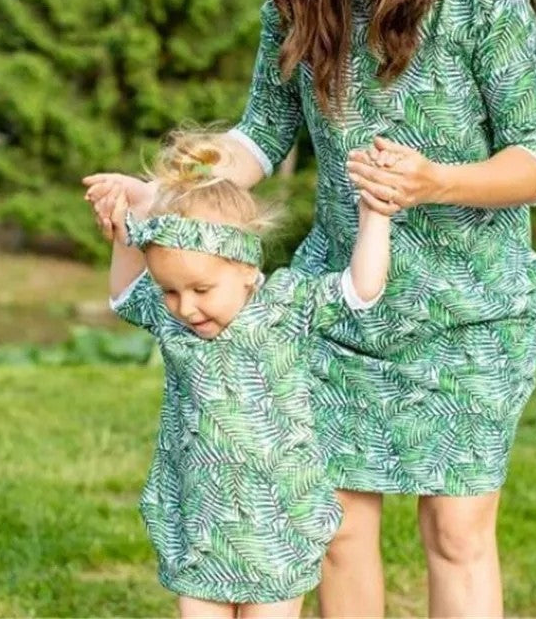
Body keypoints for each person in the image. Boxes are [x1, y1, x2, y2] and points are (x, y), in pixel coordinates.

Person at [86, 0, 536, 615]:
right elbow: (259, 136)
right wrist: (170, 187)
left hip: (472, 307)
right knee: (338, 527)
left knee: (455, 529)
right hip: (338, 301)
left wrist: (432, 180)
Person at [85, 131, 400, 618]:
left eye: (201, 288)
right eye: (170, 290)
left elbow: (360, 289)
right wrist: (126, 229)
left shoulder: (284, 308)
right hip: (203, 523)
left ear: (247, 269)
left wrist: (374, 217)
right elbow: (127, 296)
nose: (185, 307)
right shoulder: (174, 320)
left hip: (277, 522)